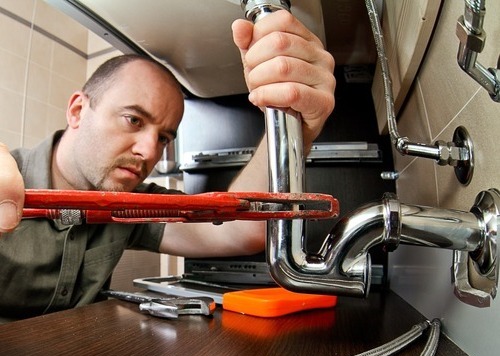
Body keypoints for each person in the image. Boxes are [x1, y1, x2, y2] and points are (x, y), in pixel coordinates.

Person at [0, 11, 335, 320]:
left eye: (163, 138)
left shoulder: (132, 206)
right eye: (133, 119)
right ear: (76, 111)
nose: (149, 151)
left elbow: (242, 229)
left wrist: (294, 125)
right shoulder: (9, 181)